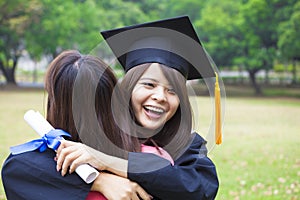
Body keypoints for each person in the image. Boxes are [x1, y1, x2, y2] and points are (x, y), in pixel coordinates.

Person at [56, 16, 221, 199]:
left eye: (172, 91)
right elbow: (35, 166)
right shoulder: (101, 130)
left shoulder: (187, 146)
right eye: (149, 85)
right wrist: (99, 181)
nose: (160, 97)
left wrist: (110, 162)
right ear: (128, 88)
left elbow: (200, 189)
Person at [1, 50, 152, 200]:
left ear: (56, 105)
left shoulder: (31, 174)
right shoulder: (150, 162)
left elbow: (15, 168)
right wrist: (99, 181)